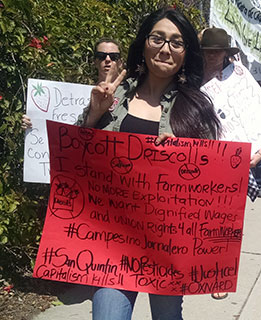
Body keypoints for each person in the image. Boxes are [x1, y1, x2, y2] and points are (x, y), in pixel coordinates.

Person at [76, 8, 223, 319]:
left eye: (176, 42)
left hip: (168, 247)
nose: (165, 48)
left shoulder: (196, 109)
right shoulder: (113, 98)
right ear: (144, 43)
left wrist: (185, 156)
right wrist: (93, 114)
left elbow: (211, 188)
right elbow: (77, 161)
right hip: (112, 243)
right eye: (158, 38)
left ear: (185, 53)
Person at [199, 26, 261, 299]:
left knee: (226, 223)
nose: (213, 56)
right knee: (199, 221)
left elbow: (254, 114)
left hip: (231, 160)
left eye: (217, 51)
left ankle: (219, 277)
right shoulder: (189, 79)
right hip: (198, 158)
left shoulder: (239, 79)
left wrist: (257, 150)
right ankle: (196, 267)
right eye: (208, 51)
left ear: (226, 53)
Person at [21, 38, 123, 129]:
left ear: (120, 62)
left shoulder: (130, 94)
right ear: (95, 61)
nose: (108, 60)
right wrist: (34, 123)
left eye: (114, 56)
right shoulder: (78, 94)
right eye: (101, 56)